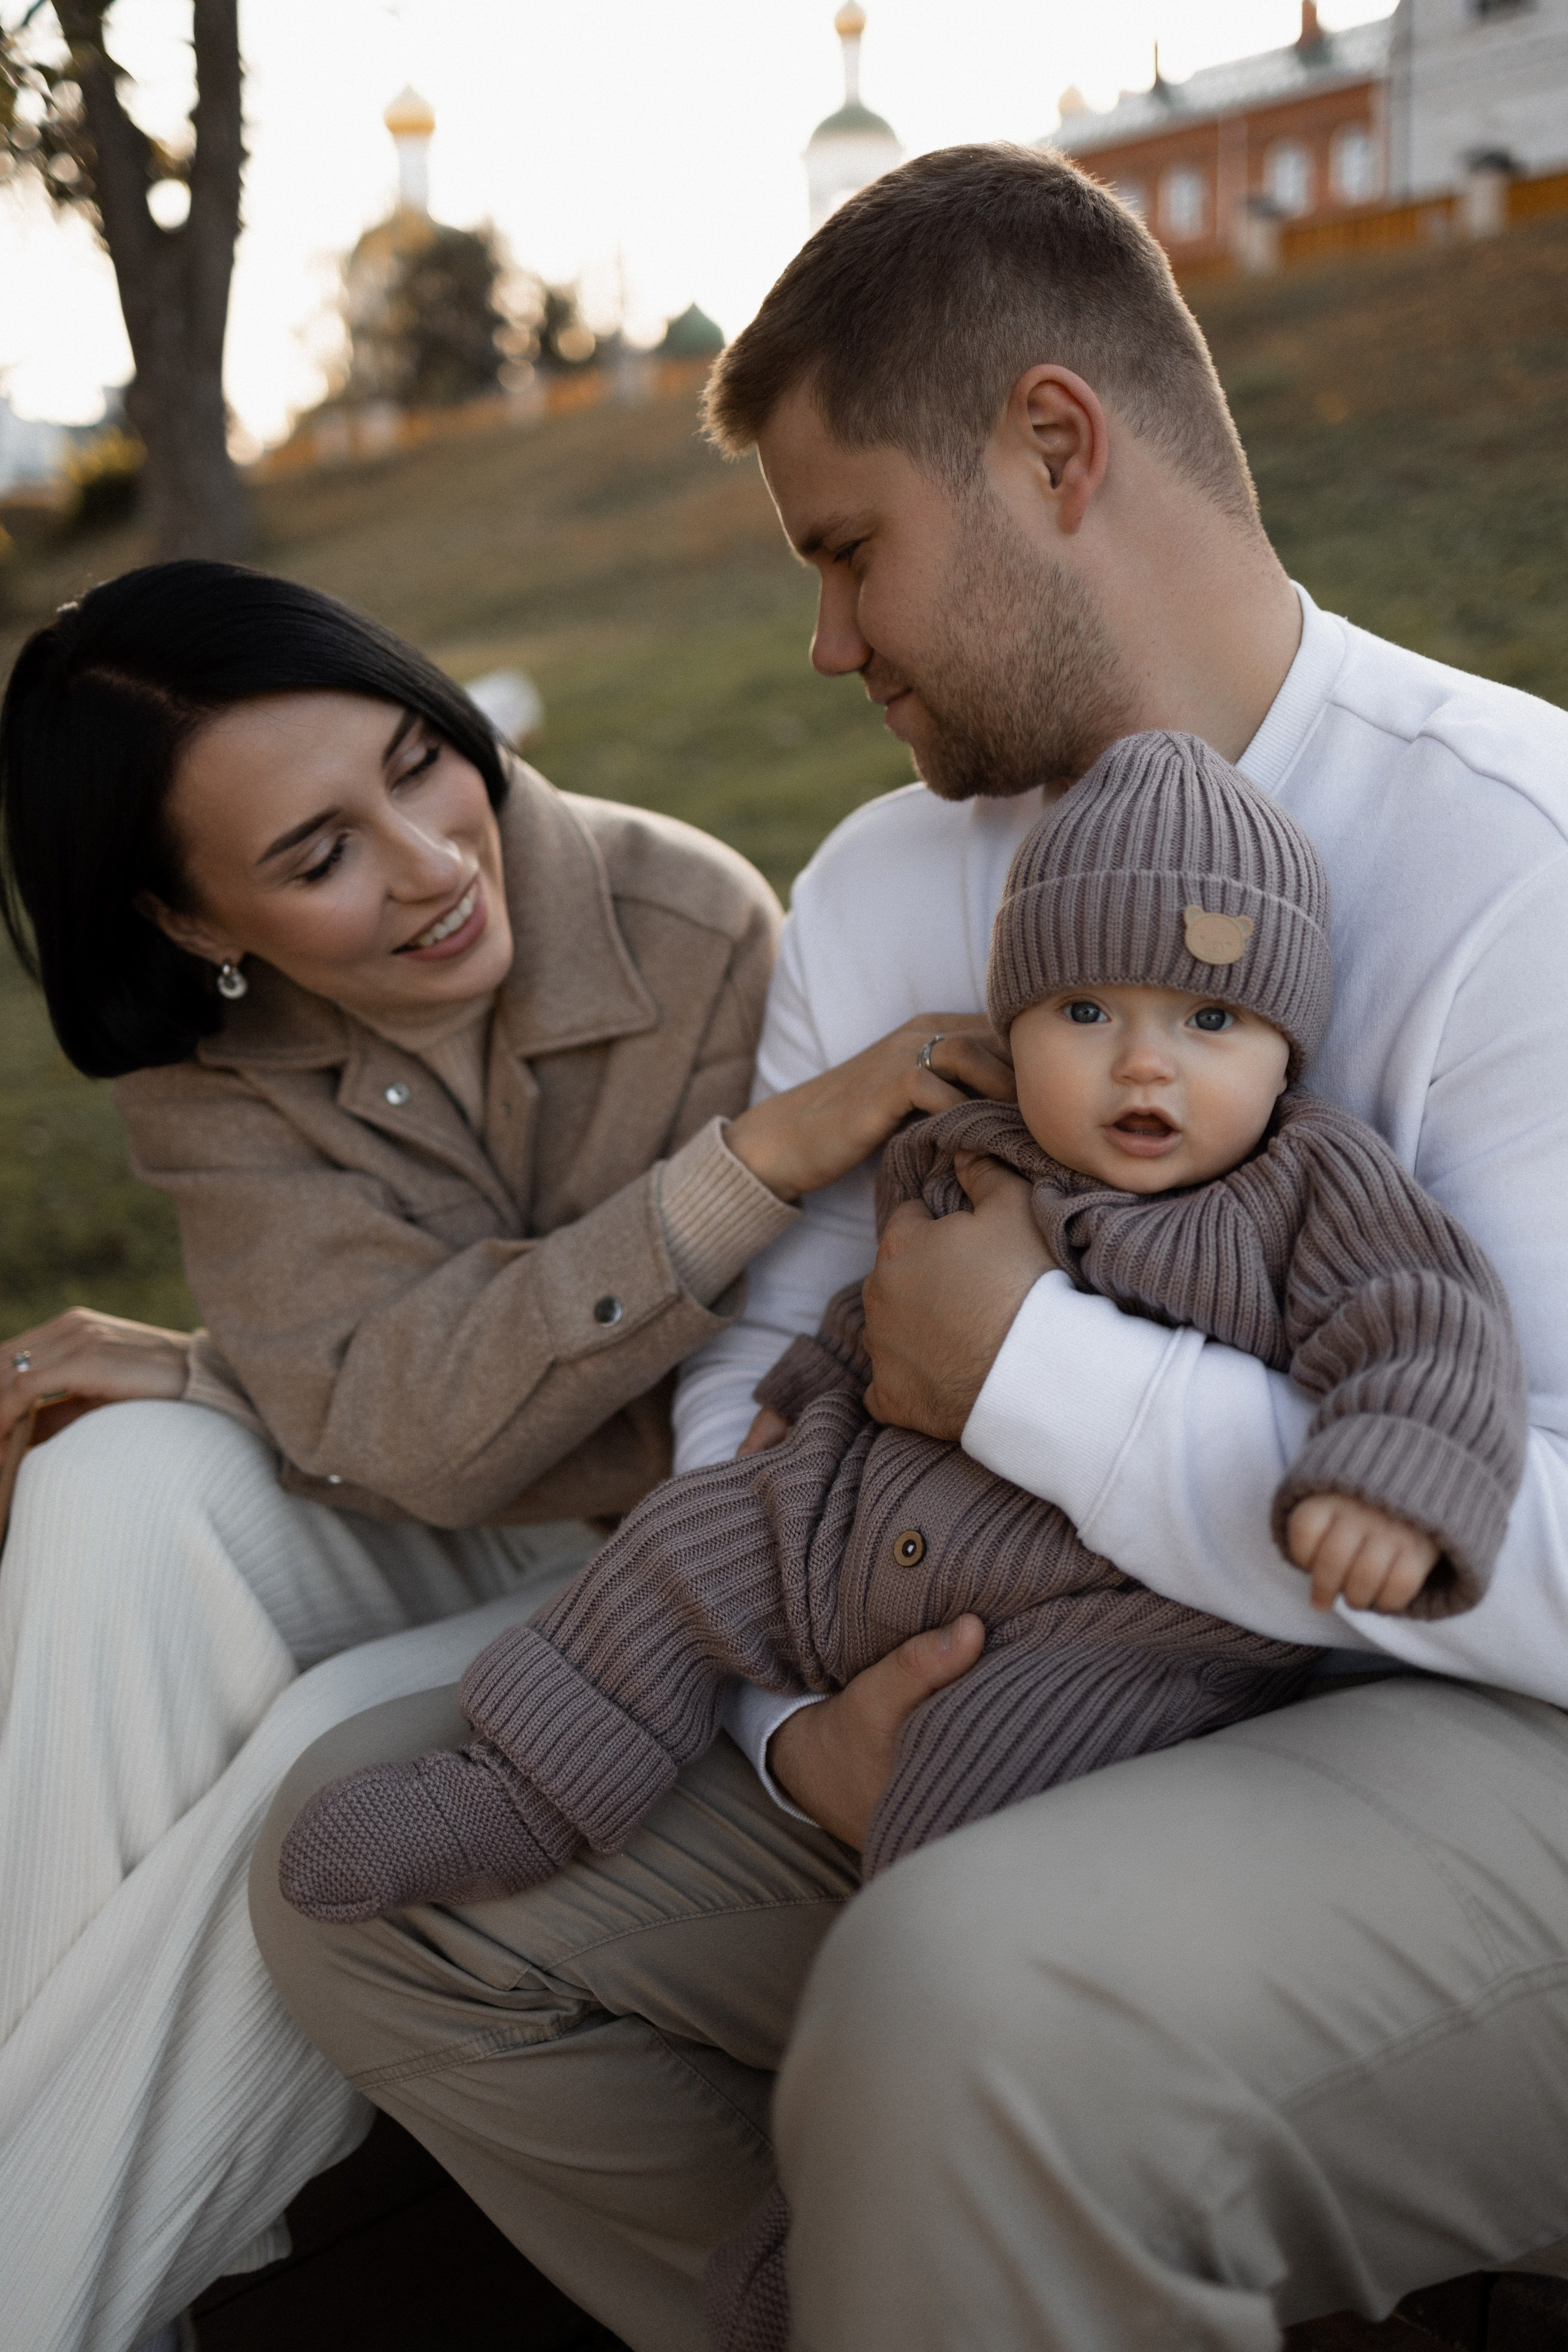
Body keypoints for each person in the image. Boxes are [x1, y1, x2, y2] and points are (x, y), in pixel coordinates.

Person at [254, 143, 1568, 2352]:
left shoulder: (1519, 866)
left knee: (966, 2003)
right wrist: (791, 1734)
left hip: (1463, 1735)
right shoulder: (885, 884)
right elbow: (746, 1367)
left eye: (850, 550)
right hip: (949, 1686)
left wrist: (1034, 1376)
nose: (827, 637)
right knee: (354, 1862)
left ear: (1055, 447)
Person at [0, 560, 1005, 2352]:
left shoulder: (679, 916)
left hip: (678, 1560)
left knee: (321, 1760)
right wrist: (265, 1385)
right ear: (181, 919)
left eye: (415, 760)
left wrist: (302, 1378)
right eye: (316, 856)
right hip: (462, 1500)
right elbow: (399, 1431)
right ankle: (146, 2253)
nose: (429, 859)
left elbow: (705, 1418)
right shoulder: (207, 1076)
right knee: (103, 1487)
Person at [271, 729, 1527, 1949]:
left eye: (1208, 1021)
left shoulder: (1309, 1182)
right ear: (1011, 1021)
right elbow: (878, 1297)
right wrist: (806, 1384)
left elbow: (1419, 1323)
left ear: (1283, 1048)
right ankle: (522, 1791)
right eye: (1083, 1010)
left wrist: (1391, 1481)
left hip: (1107, 1621)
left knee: (973, 1786)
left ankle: (921, 2039)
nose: (1143, 1066)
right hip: (845, 1522)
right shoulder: (969, 1142)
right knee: (670, 1552)